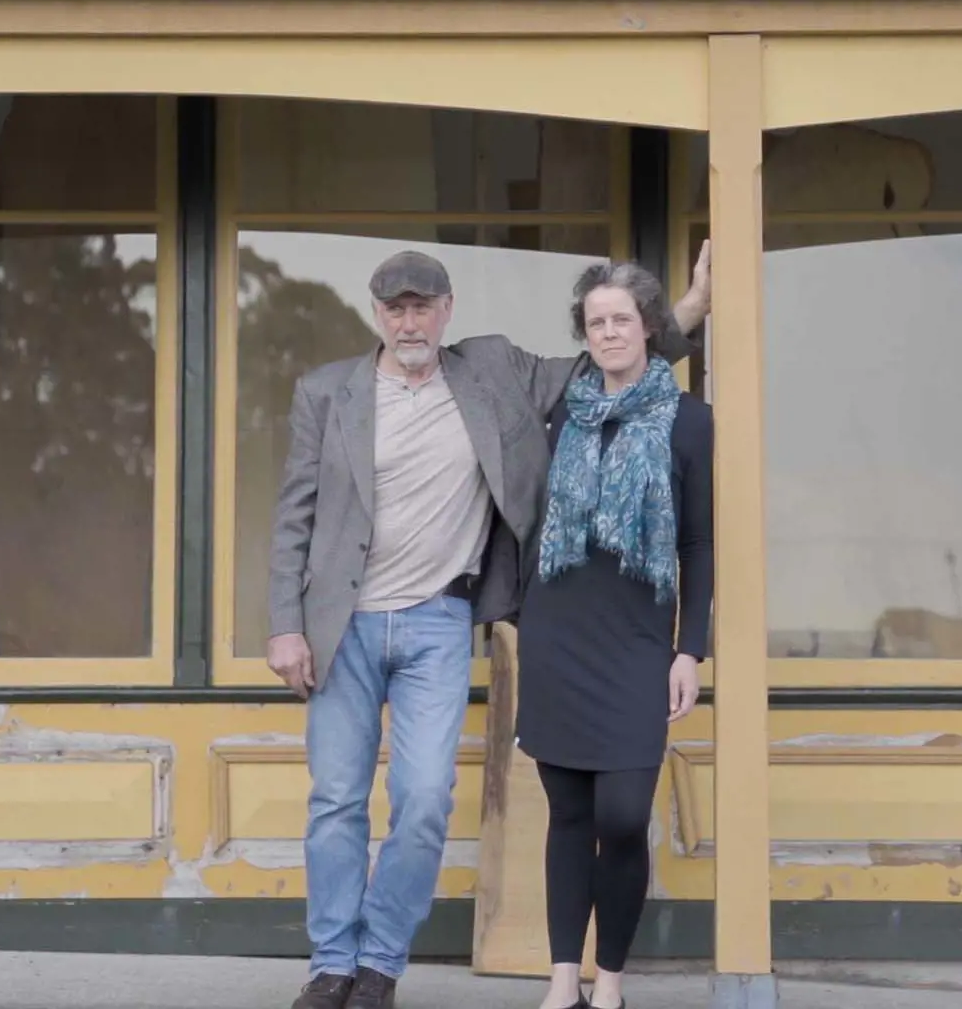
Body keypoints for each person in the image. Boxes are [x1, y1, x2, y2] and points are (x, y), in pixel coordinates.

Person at [268, 246, 711, 1009]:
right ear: (376, 313)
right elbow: (293, 517)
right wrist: (284, 625)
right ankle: (331, 963)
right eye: (395, 307)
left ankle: (380, 963)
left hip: (440, 618)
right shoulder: (327, 392)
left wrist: (693, 306)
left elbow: (613, 365)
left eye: (423, 305)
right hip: (340, 625)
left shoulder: (493, 371)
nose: (410, 320)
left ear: (446, 311)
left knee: (425, 800)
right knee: (337, 798)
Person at [514, 260, 714, 1009]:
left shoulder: (689, 419)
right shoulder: (563, 408)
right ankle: (567, 980)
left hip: (636, 640)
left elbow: (697, 542)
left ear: (651, 329)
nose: (607, 332)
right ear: (584, 334)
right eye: (596, 322)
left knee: (623, 816)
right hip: (556, 629)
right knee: (568, 813)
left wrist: (688, 647)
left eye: (622, 320)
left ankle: (614, 977)